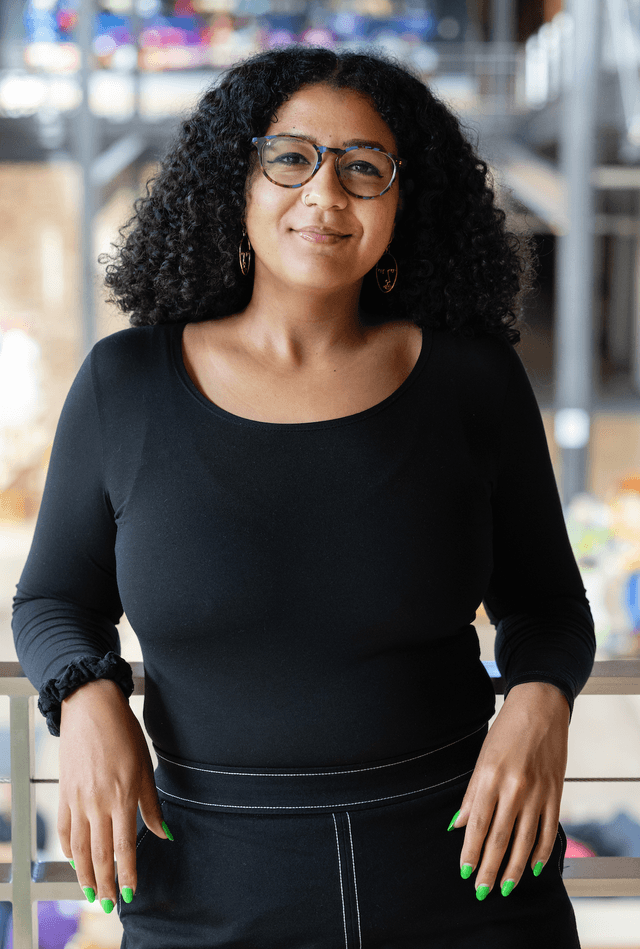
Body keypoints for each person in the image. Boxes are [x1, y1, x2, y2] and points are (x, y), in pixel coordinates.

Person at [12, 45, 596, 948]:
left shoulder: (474, 384)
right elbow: (53, 598)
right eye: (291, 158)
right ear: (234, 182)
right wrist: (87, 699)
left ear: (406, 204)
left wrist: (538, 705)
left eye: (366, 168)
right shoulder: (123, 386)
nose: (326, 197)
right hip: (204, 881)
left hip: (467, 869)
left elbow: (550, 605)